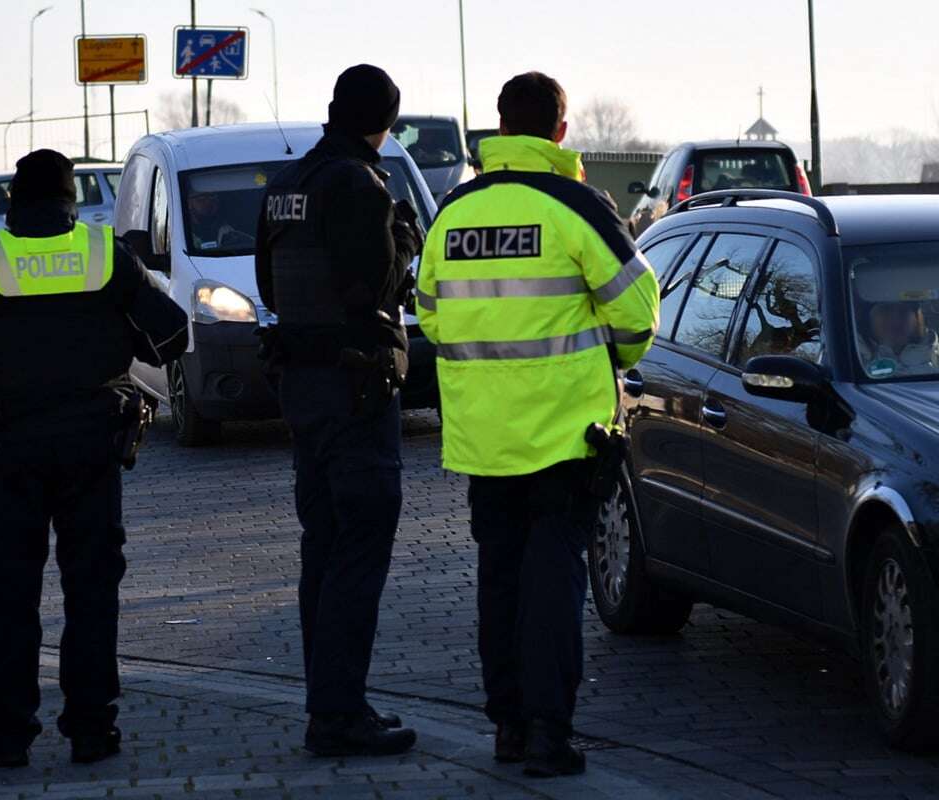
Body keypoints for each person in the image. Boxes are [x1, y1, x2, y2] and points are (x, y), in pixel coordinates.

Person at [415, 72, 660, 777]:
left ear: (499, 125)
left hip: (483, 439)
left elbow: (430, 312)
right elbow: (639, 311)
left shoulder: (454, 211)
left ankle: (508, 728)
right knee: (554, 582)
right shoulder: (573, 205)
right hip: (564, 436)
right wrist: (613, 350)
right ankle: (549, 733)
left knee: (500, 579)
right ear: (560, 130)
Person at [0, 149, 188, 768]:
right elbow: (174, 333)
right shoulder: (105, 255)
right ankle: (93, 732)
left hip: (11, 452)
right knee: (92, 593)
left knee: (10, 598)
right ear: (72, 202)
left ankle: (6, 737)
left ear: (13, 201)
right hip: (93, 451)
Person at [255, 64, 421, 758]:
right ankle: (340, 712)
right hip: (355, 390)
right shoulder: (357, 183)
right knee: (359, 546)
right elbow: (374, 287)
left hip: (305, 388)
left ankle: (328, 704)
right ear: (384, 119)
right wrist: (404, 239)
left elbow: (267, 279)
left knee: (322, 548)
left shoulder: (287, 184)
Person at [857, 301, 939, 378]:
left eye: (903, 310)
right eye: (885, 310)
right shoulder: (854, 364)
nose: (895, 319)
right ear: (867, 319)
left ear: (917, 319)